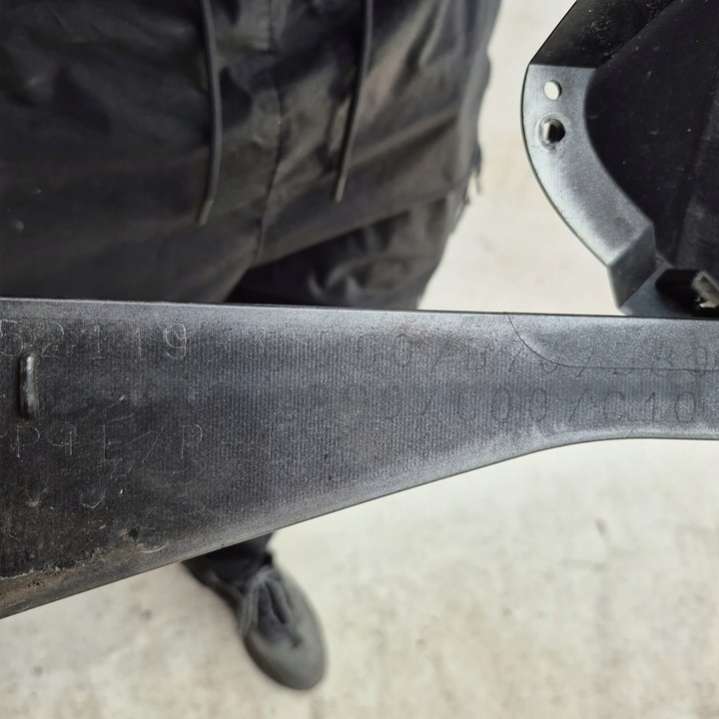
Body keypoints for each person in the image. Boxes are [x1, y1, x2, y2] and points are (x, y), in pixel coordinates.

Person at [0, 0, 500, 691]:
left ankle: (231, 550)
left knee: (311, 393)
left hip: (400, 79)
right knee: (36, 397)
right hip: (98, 89)